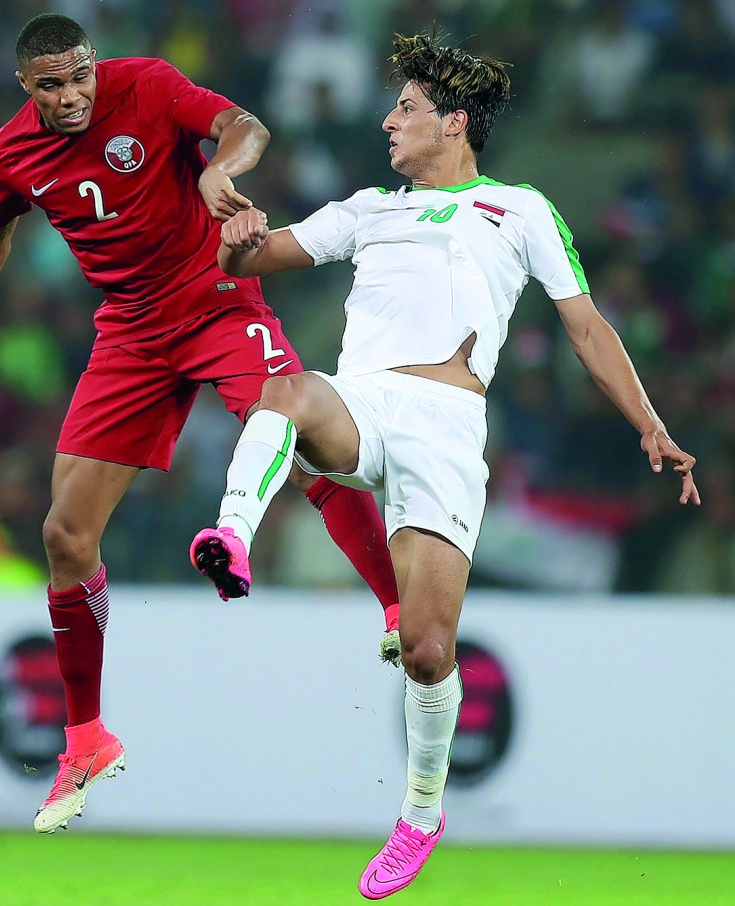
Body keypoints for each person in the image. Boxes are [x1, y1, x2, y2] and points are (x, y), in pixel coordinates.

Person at [188, 33, 700, 900]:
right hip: (364, 404)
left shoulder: (523, 209)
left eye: (408, 110)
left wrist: (648, 422)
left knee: (427, 652)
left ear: (453, 124)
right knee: (289, 389)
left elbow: (585, 324)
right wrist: (237, 234)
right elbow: (259, 255)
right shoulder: (365, 210)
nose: (388, 122)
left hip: (450, 427)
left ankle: (422, 813)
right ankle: (231, 536)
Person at [0, 12, 401, 833]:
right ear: (26, 88)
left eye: (80, 74)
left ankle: (402, 611)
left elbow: (245, 125)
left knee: (292, 437)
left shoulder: (146, 86)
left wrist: (221, 168)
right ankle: (85, 739)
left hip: (215, 294)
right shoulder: (11, 155)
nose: (75, 93)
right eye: (53, 84)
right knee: (64, 536)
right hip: (130, 329)